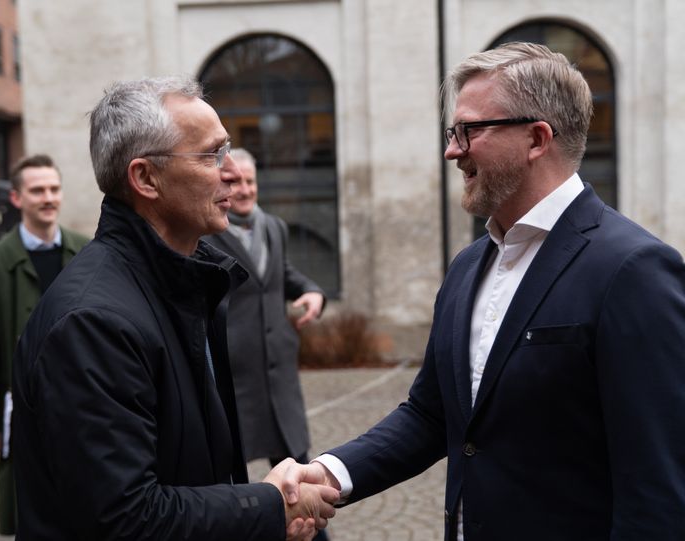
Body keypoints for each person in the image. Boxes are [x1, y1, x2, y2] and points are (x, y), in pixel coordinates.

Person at [283, 42, 685, 540]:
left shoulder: (634, 269)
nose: (452, 150)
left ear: (537, 138)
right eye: (453, 132)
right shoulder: (468, 266)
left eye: (469, 131)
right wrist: (327, 473)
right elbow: (431, 414)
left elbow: (658, 487)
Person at [10, 76, 338, 540]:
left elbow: (195, 474)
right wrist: (267, 505)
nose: (231, 173)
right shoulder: (91, 323)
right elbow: (126, 517)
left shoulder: (189, 281)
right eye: (211, 155)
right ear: (146, 178)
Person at [203, 148, 329, 541]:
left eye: (250, 181)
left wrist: (312, 292)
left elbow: (283, 274)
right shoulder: (207, 233)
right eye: (233, 181)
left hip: (278, 374)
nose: (243, 189)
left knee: (301, 476)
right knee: (232, 483)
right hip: (232, 379)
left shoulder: (274, 227)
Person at [0, 153, 89, 535]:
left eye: (54, 189)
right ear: (17, 199)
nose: (48, 197)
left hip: (84, 401)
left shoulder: (87, 251)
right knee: (32, 512)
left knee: (88, 503)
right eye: (37, 190)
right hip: (22, 406)